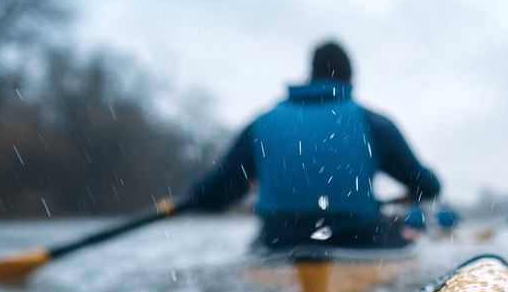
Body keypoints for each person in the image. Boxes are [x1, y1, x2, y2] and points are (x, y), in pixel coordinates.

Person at [186, 41, 441, 250]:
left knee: (260, 240)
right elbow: (427, 185)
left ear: (310, 73)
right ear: (350, 80)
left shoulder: (262, 123)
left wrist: (198, 199)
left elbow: (217, 191)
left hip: (279, 239)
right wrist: (421, 190)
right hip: (356, 238)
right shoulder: (373, 123)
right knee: (401, 229)